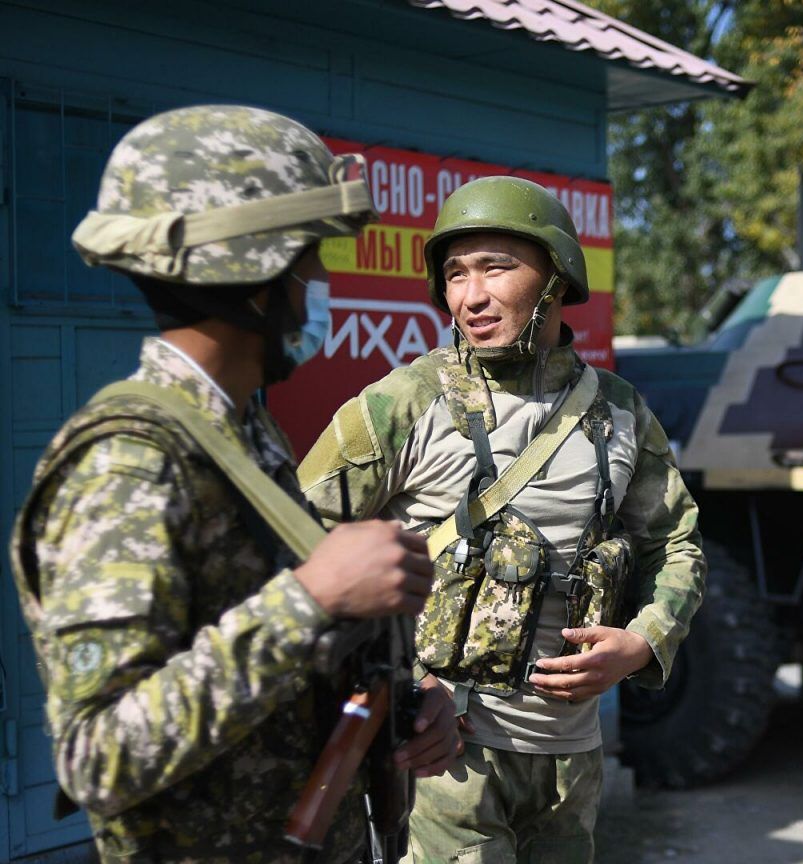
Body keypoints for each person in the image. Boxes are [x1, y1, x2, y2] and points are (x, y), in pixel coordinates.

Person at [8, 105, 460, 863]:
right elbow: (98, 755)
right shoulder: (129, 463)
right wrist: (310, 598)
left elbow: (268, 684)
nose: (320, 285)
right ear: (252, 277)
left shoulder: (242, 433)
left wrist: (404, 707)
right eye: (310, 264)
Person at [298, 175, 706, 863]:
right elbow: (298, 552)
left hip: (571, 759)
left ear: (556, 275)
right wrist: (398, 688)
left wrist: (643, 642)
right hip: (447, 759)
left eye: (496, 267)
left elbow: (675, 542)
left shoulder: (619, 412)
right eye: (455, 273)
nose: (470, 295)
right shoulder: (404, 403)